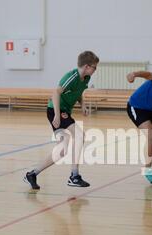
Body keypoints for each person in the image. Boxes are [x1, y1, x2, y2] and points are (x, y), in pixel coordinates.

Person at [24, 51, 100, 190]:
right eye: (94, 67)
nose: (95, 69)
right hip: (56, 110)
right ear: (87, 66)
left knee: (62, 150)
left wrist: (82, 105)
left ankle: (32, 174)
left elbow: (79, 92)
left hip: (62, 111)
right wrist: (57, 115)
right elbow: (55, 93)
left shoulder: (86, 78)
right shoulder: (71, 77)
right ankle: (74, 176)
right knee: (79, 136)